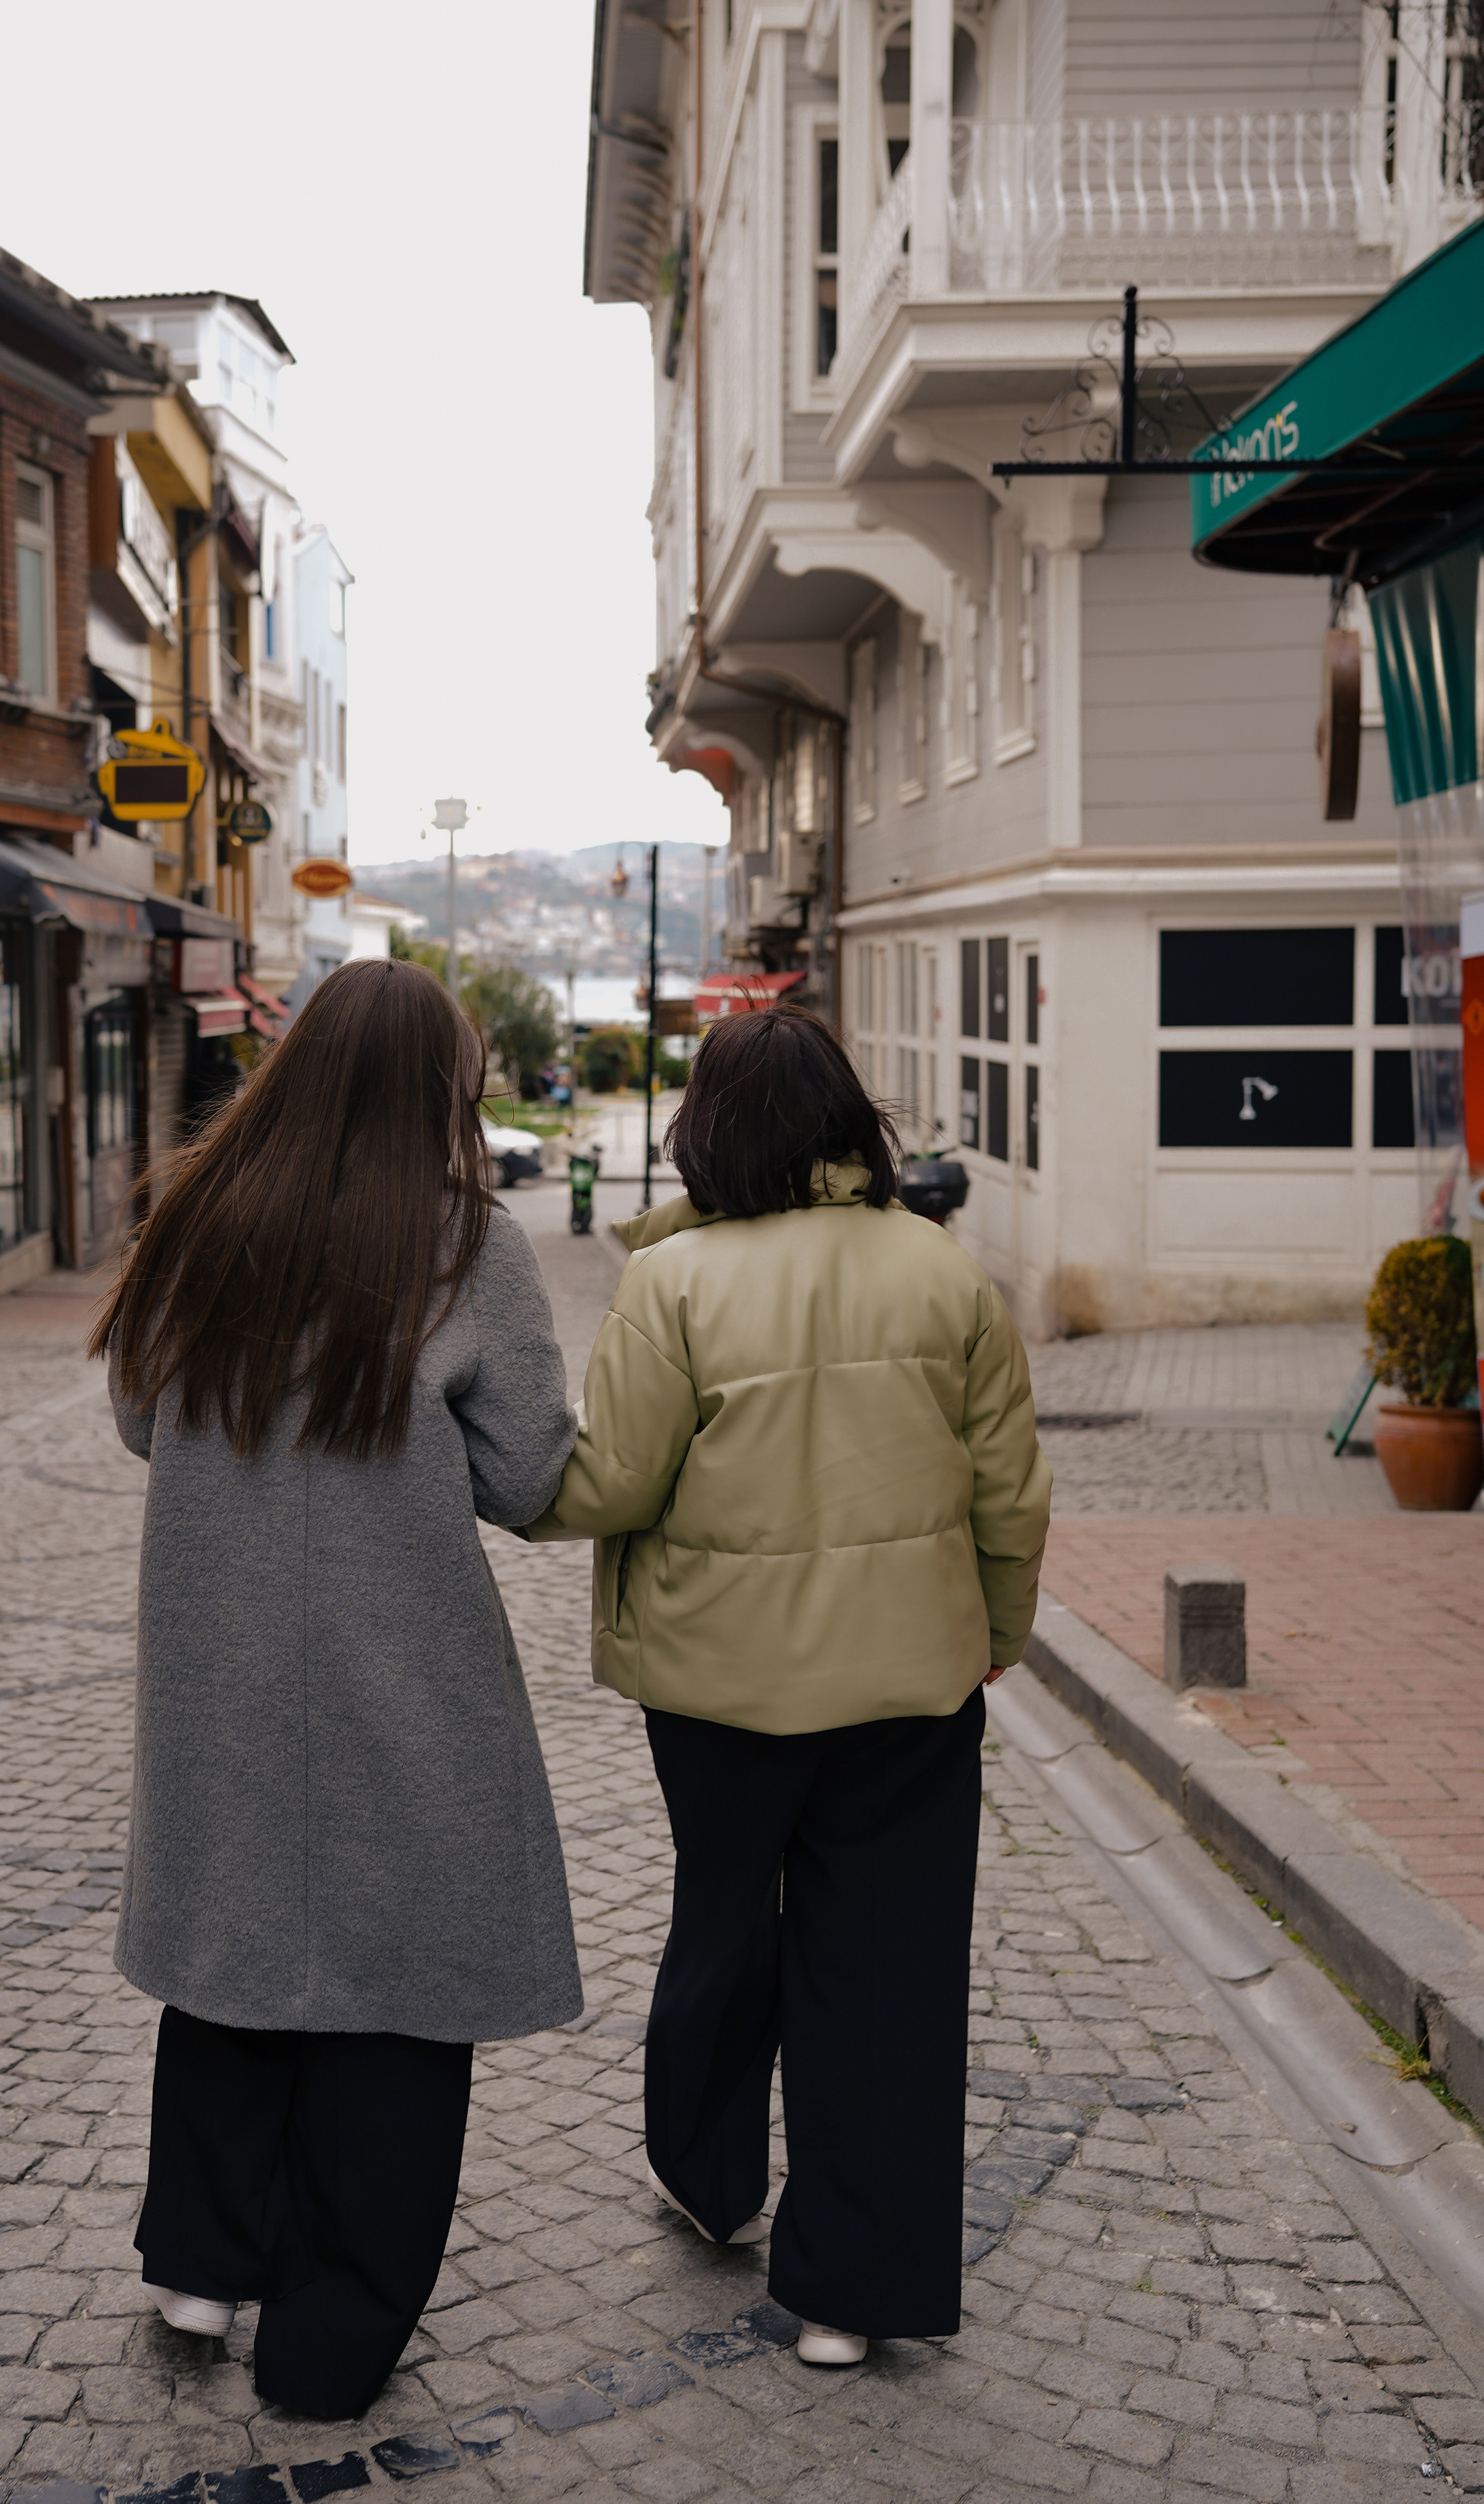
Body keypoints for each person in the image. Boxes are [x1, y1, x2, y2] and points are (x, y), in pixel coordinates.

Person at [90, 957, 581, 2421]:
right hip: (401, 1657)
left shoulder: (195, 1215)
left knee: (231, 1944)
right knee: (397, 1987)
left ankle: (195, 2262)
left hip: (218, 1651)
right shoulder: (462, 1244)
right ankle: (330, 2339)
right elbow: (526, 1473)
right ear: (444, 1085)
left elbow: (134, 1417)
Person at [527, 1004, 1050, 2367]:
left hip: (716, 1689)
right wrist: (994, 1629)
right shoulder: (943, 1272)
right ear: (848, 1124)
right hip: (909, 1684)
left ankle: (707, 2176)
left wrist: (498, 1480)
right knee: (884, 1971)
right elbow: (1008, 1487)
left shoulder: (675, 1282)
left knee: (720, 1917)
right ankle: (850, 2295)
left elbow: (616, 1483)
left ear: (710, 1127)